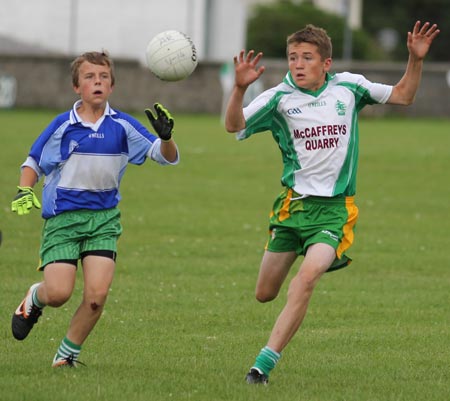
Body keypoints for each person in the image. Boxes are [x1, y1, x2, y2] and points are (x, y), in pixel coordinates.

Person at [225, 21, 439, 384]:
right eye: (293, 57)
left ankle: (262, 366)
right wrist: (239, 88)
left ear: (326, 63)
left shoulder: (349, 87)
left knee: (306, 279)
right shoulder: (279, 97)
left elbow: (403, 95)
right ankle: (293, 262)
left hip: (334, 211)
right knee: (265, 293)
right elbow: (234, 126)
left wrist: (414, 60)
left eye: (307, 57)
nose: (298, 64)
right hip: (293, 208)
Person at [11, 51, 179, 367]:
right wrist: (24, 189)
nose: (97, 82)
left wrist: (166, 137)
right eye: (89, 77)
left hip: (104, 220)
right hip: (63, 219)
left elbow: (164, 155)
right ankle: (35, 297)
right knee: (59, 294)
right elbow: (33, 161)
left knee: (95, 298)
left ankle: (66, 357)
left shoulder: (123, 126)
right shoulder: (63, 125)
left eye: (103, 77)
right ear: (77, 87)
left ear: (111, 86)